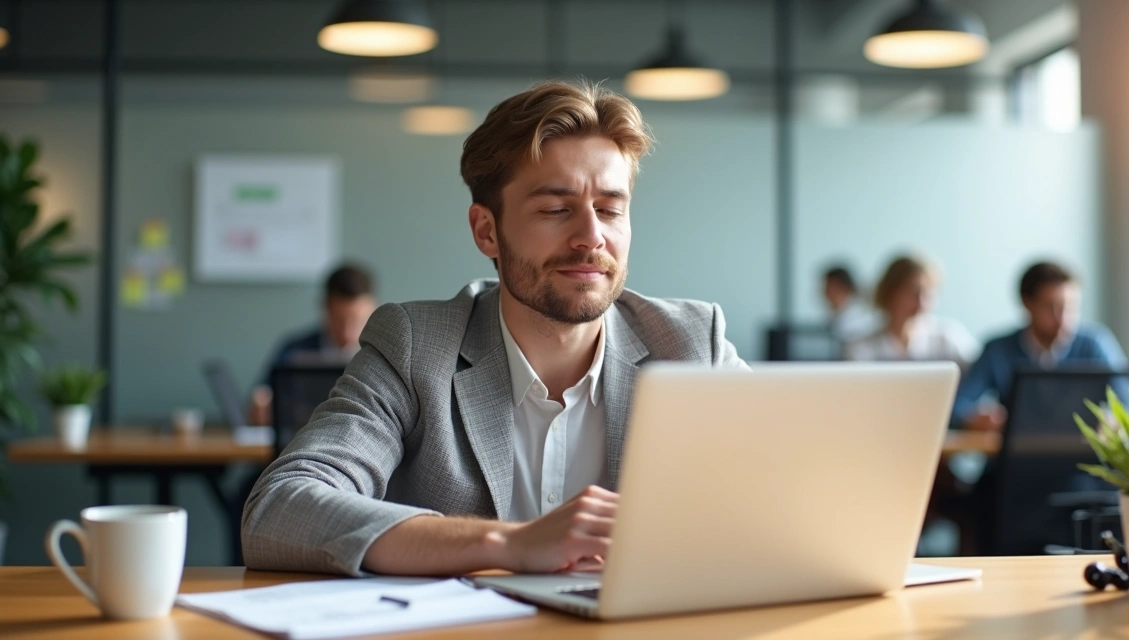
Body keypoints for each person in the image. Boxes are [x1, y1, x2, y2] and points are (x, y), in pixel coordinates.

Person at [241, 81, 748, 577]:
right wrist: (510, 544)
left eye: (611, 210)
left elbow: (803, 493)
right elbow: (280, 509)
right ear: (487, 230)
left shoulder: (689, 344)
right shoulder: (416, 346)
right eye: (555, 209)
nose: (592, 237)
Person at [952, 261, 1127, 431]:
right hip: (1015, 459)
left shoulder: (1095, 345)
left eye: (1071, 307)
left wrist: (1111, 419)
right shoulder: (998, 350)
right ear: (1028, 303)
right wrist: (976, 418)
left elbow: (1126, 405)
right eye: (1051, 308)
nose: (1063, 319)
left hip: (1081, 457)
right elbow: (958, 407)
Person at [247, 263, 378, 426]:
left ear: (373, 309)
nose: (347, 332)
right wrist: (261, 406)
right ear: (325, 307)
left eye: (357, 320)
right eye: (339, 320)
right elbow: (261, 398)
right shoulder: (294, 350)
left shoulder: (380, 355)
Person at [845, 255, 978, 368]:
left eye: (928, 294)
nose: (922, 303)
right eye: (913, 293)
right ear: (890, 293)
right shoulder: (860, 348)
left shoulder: (950, 337)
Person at [821, 264, 879, 343]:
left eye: (828, 287)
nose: (824, 293)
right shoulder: (841, 315)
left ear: (839, 288)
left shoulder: (855, 319)